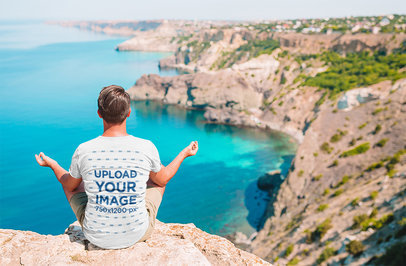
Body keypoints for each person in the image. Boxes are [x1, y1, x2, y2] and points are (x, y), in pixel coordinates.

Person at [35, 85, 198, 249]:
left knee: (71, 183)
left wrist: (53, 164)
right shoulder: (146, 147)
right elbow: (163, 179)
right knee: (158, 181)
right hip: (137, 234)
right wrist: (184, 153)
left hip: (95, 235)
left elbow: (70, 185)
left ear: (99, 114)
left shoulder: (84, 149)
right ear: (128, 113)